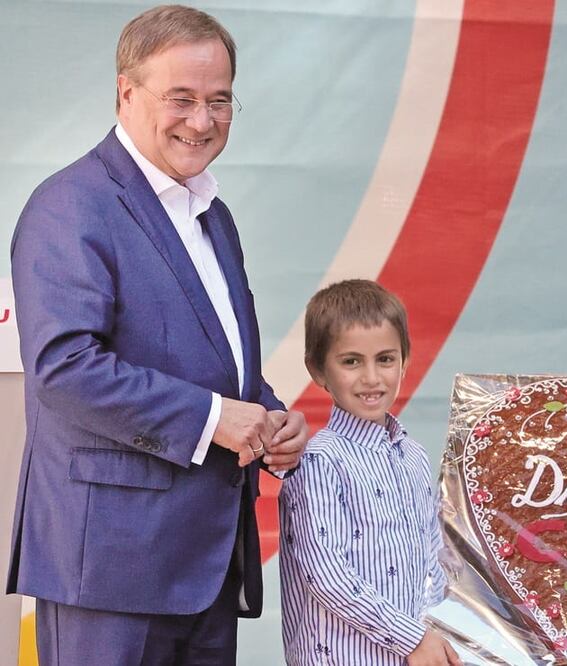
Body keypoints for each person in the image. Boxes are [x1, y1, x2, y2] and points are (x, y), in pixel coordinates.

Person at [7, 5, 308, 664]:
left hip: (206, 568)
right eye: (181, 98)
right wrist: (213, 420)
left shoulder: (213, 216)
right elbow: (65, 369)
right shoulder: (69, 207)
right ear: (126, 92)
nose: (202, 121)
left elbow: (218, 360)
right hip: (110, 572)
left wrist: (270, 417)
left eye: (219, 100)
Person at [278, 279, 460, 666]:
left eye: (385, 359)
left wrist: (437, 635)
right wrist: (412, 638)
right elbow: (326, 575)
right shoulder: (320, 461)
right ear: (318, 369)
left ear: (405, 360)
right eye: (351, 361)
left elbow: (434, 559)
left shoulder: (413, 456)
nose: (372, 378)